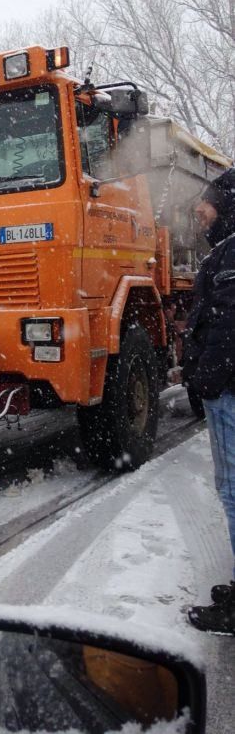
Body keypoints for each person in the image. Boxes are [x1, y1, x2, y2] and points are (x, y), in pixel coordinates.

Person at [182, 167, 235, 636]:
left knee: (234, 491)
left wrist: (207, 381)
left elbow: (227, 324)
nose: (200, 213)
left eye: (207, 205)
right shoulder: (225, 250)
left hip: (229, 393)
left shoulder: (232, 253)